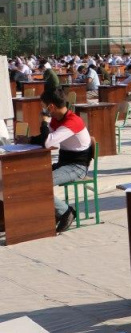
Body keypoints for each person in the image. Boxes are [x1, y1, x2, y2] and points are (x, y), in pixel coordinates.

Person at [16, 88, 92, 233]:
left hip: (77, 167)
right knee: (29, 179)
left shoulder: (72, 121)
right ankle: (54, 213)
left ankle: (65, 212)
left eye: (44, 106)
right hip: (65, 163)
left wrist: (44, 122)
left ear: (51, 107)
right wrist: (29, 139)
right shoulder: (58, 119)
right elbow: (47, 139)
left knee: (40, 183)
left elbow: (47, 143)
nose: (42, 109)